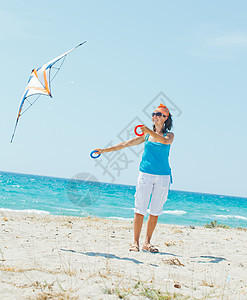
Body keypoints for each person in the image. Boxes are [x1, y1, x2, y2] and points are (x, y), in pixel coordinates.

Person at [94, 103, 174, 253]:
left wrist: (149, 131)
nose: (155, 116)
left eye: (159, 114)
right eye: (154, 113)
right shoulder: (146, 136)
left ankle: (147, 242)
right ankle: (135, 242)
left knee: (155, 211)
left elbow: (164, 141)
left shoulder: (169, 135)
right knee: (139, 209)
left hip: (163, 176)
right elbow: (125, 144)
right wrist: (104, 150)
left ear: (165, 118)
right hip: (146, 174)